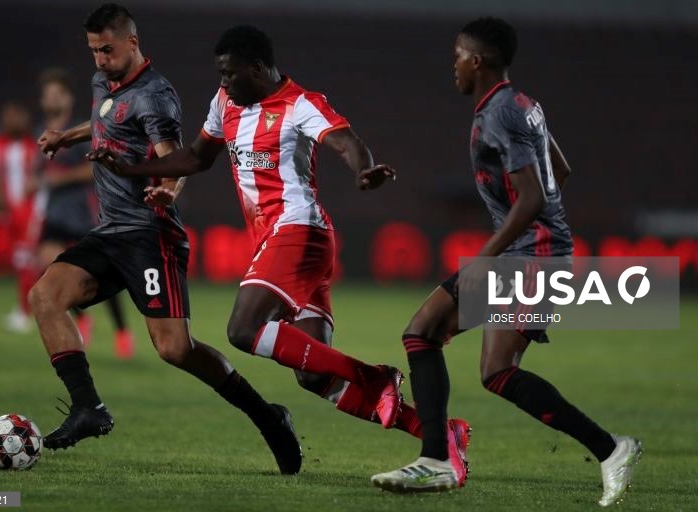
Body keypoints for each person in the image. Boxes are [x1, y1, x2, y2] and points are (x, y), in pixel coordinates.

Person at [88, 24, 471, 480]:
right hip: (282, 241)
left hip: (298, 232)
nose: (224, 82)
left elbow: (346, 141)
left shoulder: (300, 103)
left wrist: (363, 170)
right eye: (220, 74)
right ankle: (439, 432)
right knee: (312, 375)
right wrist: (134, 168)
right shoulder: (224, 103)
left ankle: (374, 377)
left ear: (258, 68)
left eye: (230, 74)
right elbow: (195, 157)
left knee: (243, 328)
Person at [370, 17, 641, 506]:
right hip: (536, 250)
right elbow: (560, 168)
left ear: (478, 60)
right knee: (425, 332)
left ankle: (610, 448)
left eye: (457, 56)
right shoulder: (524, 105)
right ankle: (436, 461)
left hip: (532, 257)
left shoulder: (497, 113)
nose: (452, 65)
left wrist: (488, 255)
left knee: (489, 366)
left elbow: (534, 196)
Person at [32, 3, 302, 475]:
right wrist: (68, 137)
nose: (99, 59)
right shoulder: (105, 82)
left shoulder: (156, 95)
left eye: (107, 50)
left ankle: (267, 415)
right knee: (45, 295)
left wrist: (168, 188)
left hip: (149, 235)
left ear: (132, 44)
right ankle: (88, 407)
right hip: (110, 231)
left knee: (175, 349)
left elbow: (174, 158)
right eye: (94, 51)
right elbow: (104, 118)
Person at [37, 68, 135, 358]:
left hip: (83, 213)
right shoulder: (39, 132)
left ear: (67, 98)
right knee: (53, 267)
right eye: (48, 94)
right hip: (53, 215)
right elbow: (38, 171)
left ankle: (122, 331)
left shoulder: (80, 131)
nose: (52, 99)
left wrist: (61, 178)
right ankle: (82, 317)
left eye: (58, 93)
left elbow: (94, 168)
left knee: (98, 275)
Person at [0, 101, 42, 333]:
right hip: (10, 212)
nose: (12, 121)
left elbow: (42, 176)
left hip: (31, 211)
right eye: (8, 116)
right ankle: (32, 308)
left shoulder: (35, 145)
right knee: (23, 261)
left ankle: (26, 312)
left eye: (17, 116)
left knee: (29, 260)